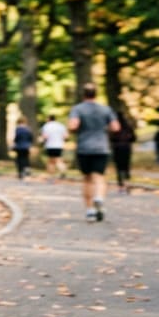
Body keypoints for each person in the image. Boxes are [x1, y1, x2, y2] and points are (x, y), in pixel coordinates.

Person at [68, 84, 120, 222]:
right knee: (99, 177)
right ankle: (99, 198)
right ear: (96, 94)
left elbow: (73, 125)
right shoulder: (105, 109)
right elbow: (116, 127)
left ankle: (90, 210)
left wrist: (75, 131)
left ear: (83, 94)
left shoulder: (77, 109)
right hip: (101, 147)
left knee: (87, 179)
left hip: (84, 147)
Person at [110, 111, 137, 194]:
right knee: (126, 167)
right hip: (127, 148)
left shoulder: (114, 127)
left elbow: (111, 138)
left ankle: (121, 186)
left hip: (117, 148)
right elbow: (134, 138)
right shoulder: (128, 127)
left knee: (119, 167)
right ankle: (127, 184)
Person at [40, 113, 69, 180]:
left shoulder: (47, 126)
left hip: (50, 145)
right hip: (59, 145)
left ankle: (51, 175)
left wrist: (41, 141)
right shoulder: (61, 126)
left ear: (48, 119)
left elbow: (45, 136)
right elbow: (66, 136)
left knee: (51, 161)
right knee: (58, 159)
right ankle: (63, 170)